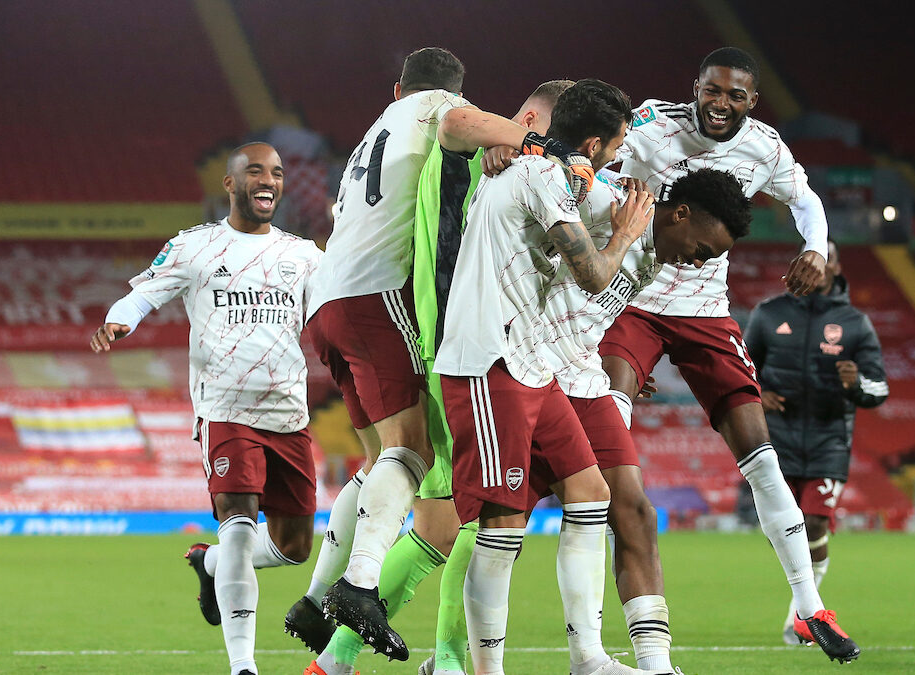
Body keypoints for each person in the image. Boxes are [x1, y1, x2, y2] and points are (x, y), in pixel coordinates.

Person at [296, 47, 594, 661]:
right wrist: (542, 147)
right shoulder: (446, 115)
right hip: (396, 307)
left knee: (382, 462)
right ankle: (358, 592)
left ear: (396, 89)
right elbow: (460, 122)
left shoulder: (381, 130)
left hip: (329, 301)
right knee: (416, 458)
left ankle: (321, 597)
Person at [597, 46, 860, 663]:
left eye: (734, 95)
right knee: (609, 438)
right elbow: (597, 161)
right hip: (630, 298)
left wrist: (816, 247)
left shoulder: (765, 147)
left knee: (760, 452)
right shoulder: (652, 123)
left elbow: (806, 200)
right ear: (696, 88)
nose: (720, 104)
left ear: (752, 101)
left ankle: (808, 605)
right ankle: (597, 635)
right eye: (712, 91)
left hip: (706, 312)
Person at [435, 78, 653, 675]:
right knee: (503, 525)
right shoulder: (538, 176)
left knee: (590, 493)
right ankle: (485, 670)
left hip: (532, 363)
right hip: (489, 362)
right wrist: (630, 231)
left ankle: (588, 658)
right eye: (615, 143)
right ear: (591, 140)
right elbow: (593, 275)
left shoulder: (537, 167)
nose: (617, 156)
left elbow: (571, 183)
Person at [90, 142, 323, 675]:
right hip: (224, 409)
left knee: (294, 546)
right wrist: (120, 317)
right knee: (238, 526)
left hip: (289, 413)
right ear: (230, 183)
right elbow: (145, 293)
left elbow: (340, 305)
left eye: (278, 173)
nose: (269, 180)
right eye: (256, 171)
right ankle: (244, 666)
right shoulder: (195, 247)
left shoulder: (303, 255)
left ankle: (211, 564)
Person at [532, 166, 752, 673]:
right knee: (486, 529)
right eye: (702, 247)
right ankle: (449, 653)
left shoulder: (657, 260)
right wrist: (504, 151)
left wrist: (598, 350)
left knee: (632, 509)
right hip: (527, 373)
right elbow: (543, 176)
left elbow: (591, 313)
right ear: (679, 214)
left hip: (583, 381)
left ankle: (653, 662)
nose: (699, 263)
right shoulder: (608, 207)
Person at [743, 239, 888, 645]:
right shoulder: (769, 314)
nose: (820, 265)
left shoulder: (856, 323)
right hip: (777, 440)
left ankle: (799, 618)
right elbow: (741, 370)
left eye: (829, 258)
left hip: (829, 440)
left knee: (816, 522)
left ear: (837, 268)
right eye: (814, 257)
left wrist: (856, 383)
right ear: (802, 264)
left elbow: (879, 387)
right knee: (787, 529)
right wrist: (759, 396)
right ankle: (806, 610)